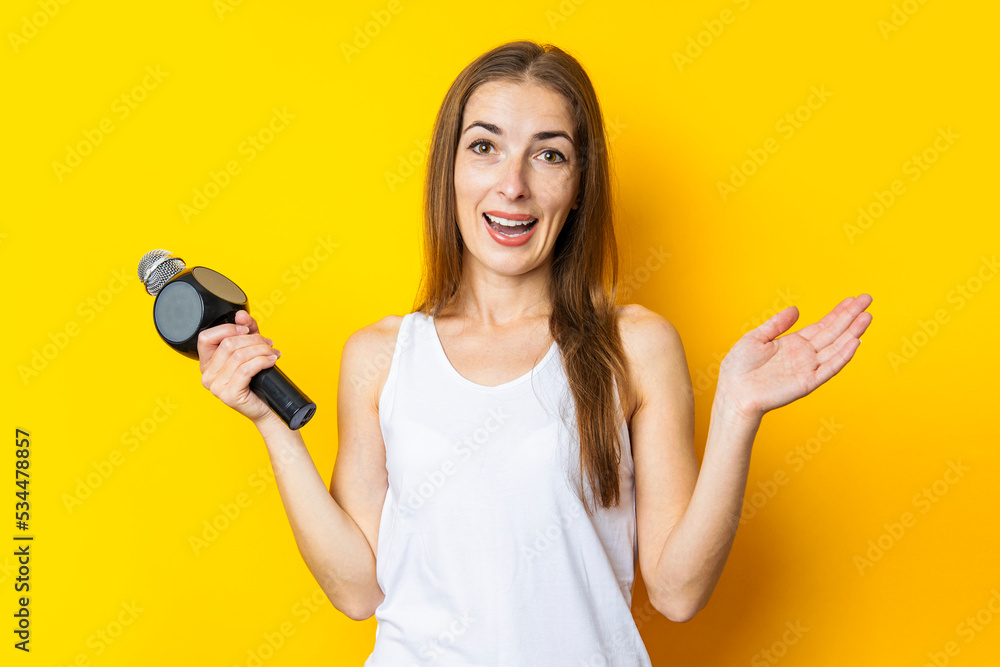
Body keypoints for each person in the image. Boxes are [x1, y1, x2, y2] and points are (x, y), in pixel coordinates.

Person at [196, 40, 873, 666]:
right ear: (449, 168)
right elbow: (356, 589)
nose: (512, 184)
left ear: (579, 186)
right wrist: (268, 423)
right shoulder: (380, 356)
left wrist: (738, 412)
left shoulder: (633, 347)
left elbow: (676, 591)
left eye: (548, 154)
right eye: (485, 147)